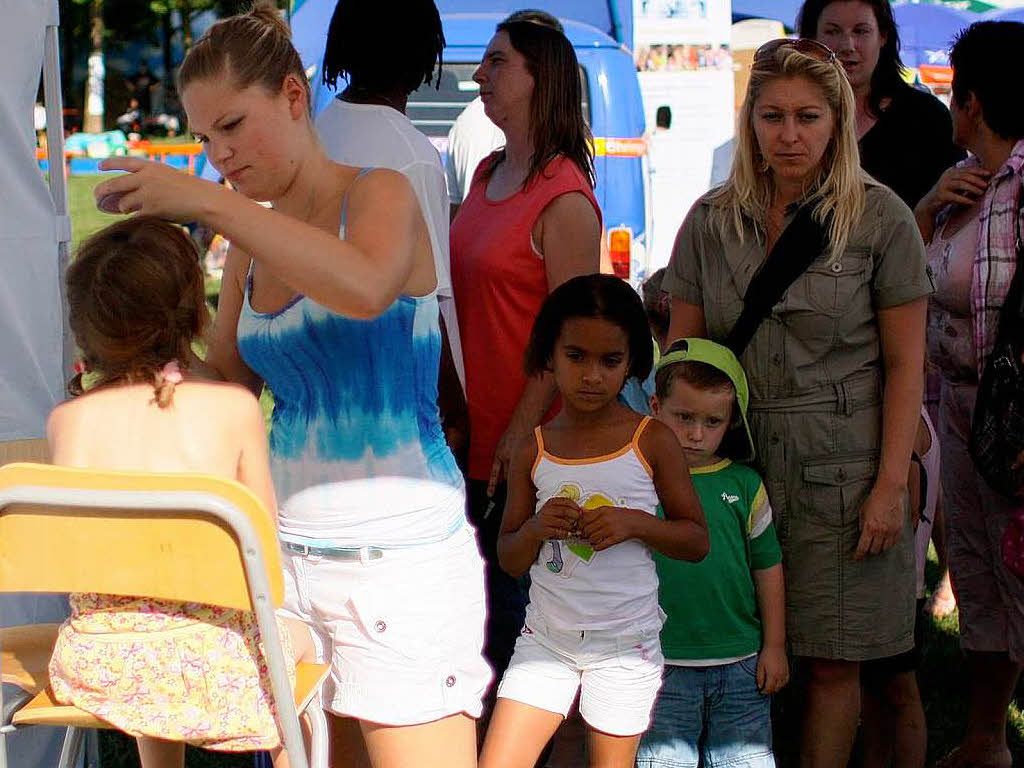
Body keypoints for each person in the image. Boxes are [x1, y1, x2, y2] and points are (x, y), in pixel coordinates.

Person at [92, 5, 489, 767]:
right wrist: (141, 355)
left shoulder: (378, 193)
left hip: (398, 562)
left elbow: (368, 286)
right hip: (287, 564)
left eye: (233, 126)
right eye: (206, 140)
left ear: (294, 95)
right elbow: (231, 392)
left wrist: (212, 205)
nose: (220, 156)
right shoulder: (247, 237)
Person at [665, 38, 931, 768]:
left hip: (843, 474)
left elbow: (908, 364)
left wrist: (888, 484)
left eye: (809, 117)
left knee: (833, 662)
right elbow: (679, 362)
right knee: (724, 655)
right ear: (749, 121)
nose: (790, 135)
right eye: (773, 115)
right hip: (733, 472)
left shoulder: (881, 220)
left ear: (837, 122)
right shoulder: (709, 221)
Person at [46, 217, 315, 768]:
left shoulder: (67, 421)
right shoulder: (234, 409)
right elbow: (262, 559)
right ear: (192, 309)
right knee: (298, 640)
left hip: (98, 663)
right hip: (218, 663)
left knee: (151, 620)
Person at [477, 274, 709, 768]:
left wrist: (636, 523)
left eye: (610, 361)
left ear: (632, 364)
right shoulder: (533, 449)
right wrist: (537, 529)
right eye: (576, 356)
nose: (592, 376)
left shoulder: (651, 440)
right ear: (549, 356)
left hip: (625, 647)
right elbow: (509, 557)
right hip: (544, 641)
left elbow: (695, 540)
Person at [449, 14, 602, 713]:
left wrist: (517, 432)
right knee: (479, 634)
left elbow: (570, 342)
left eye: (496, 62)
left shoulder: (564, 197)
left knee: (525, 639)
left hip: (531, 452)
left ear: (541, 78)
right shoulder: (485, 174)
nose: (480, 75)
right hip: (473, 438)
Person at [911, 21, 1024, 768]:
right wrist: (925, 208)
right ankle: (986, 737)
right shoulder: (961, 186)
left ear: (972, 100)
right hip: (958, 413)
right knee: (979, 575)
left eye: (956, 92)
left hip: (1015, 420)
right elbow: (906, 282)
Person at [314, 0, 468, 457]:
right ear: (423, 55)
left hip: (323, 382)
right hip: (397, 402)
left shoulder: (320, 128)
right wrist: (458, 413)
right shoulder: (412, 155)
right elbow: (430, 300)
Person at [638, 338, 786, 768]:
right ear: (654, 407)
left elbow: (768, 567)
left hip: (741, 662)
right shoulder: (637, 483)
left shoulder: (745, 485)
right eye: (683, 417)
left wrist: (774, 645)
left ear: (731, 423)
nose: (696, 433)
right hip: (658, 662)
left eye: (712, 421)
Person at [799, 0, 965, 209]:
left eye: (861, 31)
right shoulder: (790, 119)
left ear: (883, 36)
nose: (847, 46)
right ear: (812, 39)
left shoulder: (928, 118)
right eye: (832, 32)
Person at [858, 406, 939, 768]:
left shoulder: (908, 425)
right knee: (875, 692)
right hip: (894, 585)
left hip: (902, 588)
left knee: (900, 690)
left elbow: (905, 513)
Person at [445, 10, 564, 214]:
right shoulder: (480, 129)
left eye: (497, 61)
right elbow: (470, 227)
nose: (478, 75)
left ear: (545, 67)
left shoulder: (566, 186)